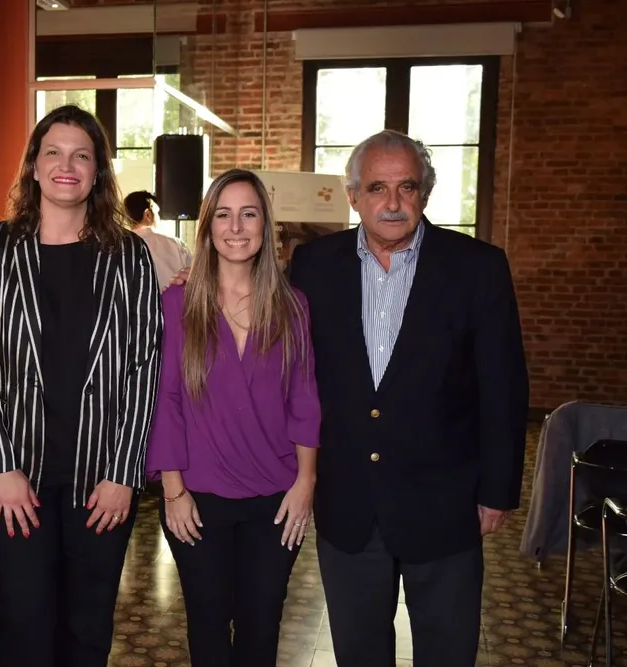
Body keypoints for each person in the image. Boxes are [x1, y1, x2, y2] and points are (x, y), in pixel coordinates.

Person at [288, 130, 529, 666]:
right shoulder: (312, 266)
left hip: (446, 502)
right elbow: (274, 347)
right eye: (377, 187)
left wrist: (498, 490)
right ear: (353, 196)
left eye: (407, 187)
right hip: (349, 506)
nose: (392, 203)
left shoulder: (478, 266)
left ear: (425, 193)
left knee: (447, 652)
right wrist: (196, 284)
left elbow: (503, 384)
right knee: (359, 653)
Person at [0, 104, 162, 667]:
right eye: (53, 152)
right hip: (15, 479)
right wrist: (0, 468)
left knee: (88, 631)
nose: (66, 165)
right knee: (23, 630)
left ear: (98, 172)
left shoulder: (128, 255)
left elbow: (147, 366)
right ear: (33, 166)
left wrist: (124, 474)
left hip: (101, 485)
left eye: (81, 155)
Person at [146, 168, 321, 667]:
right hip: (198, 497)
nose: (236, 226)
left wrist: (306, 482)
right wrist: (173, 491)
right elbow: (167, 400)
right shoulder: (178, 303)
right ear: (207, 228)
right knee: (206, 622)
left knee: (262, 625)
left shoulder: (293, 307)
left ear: (267, 226)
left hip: (277, 497)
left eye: (249, 214)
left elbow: (304, 399)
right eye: (223, 215)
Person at [124, 189, 192, 290]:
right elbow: (194, 278)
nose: (159, 218)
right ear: (148, 214)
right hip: (172, 304)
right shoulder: (176, 245)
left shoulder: (118, 247)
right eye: (157, 213)